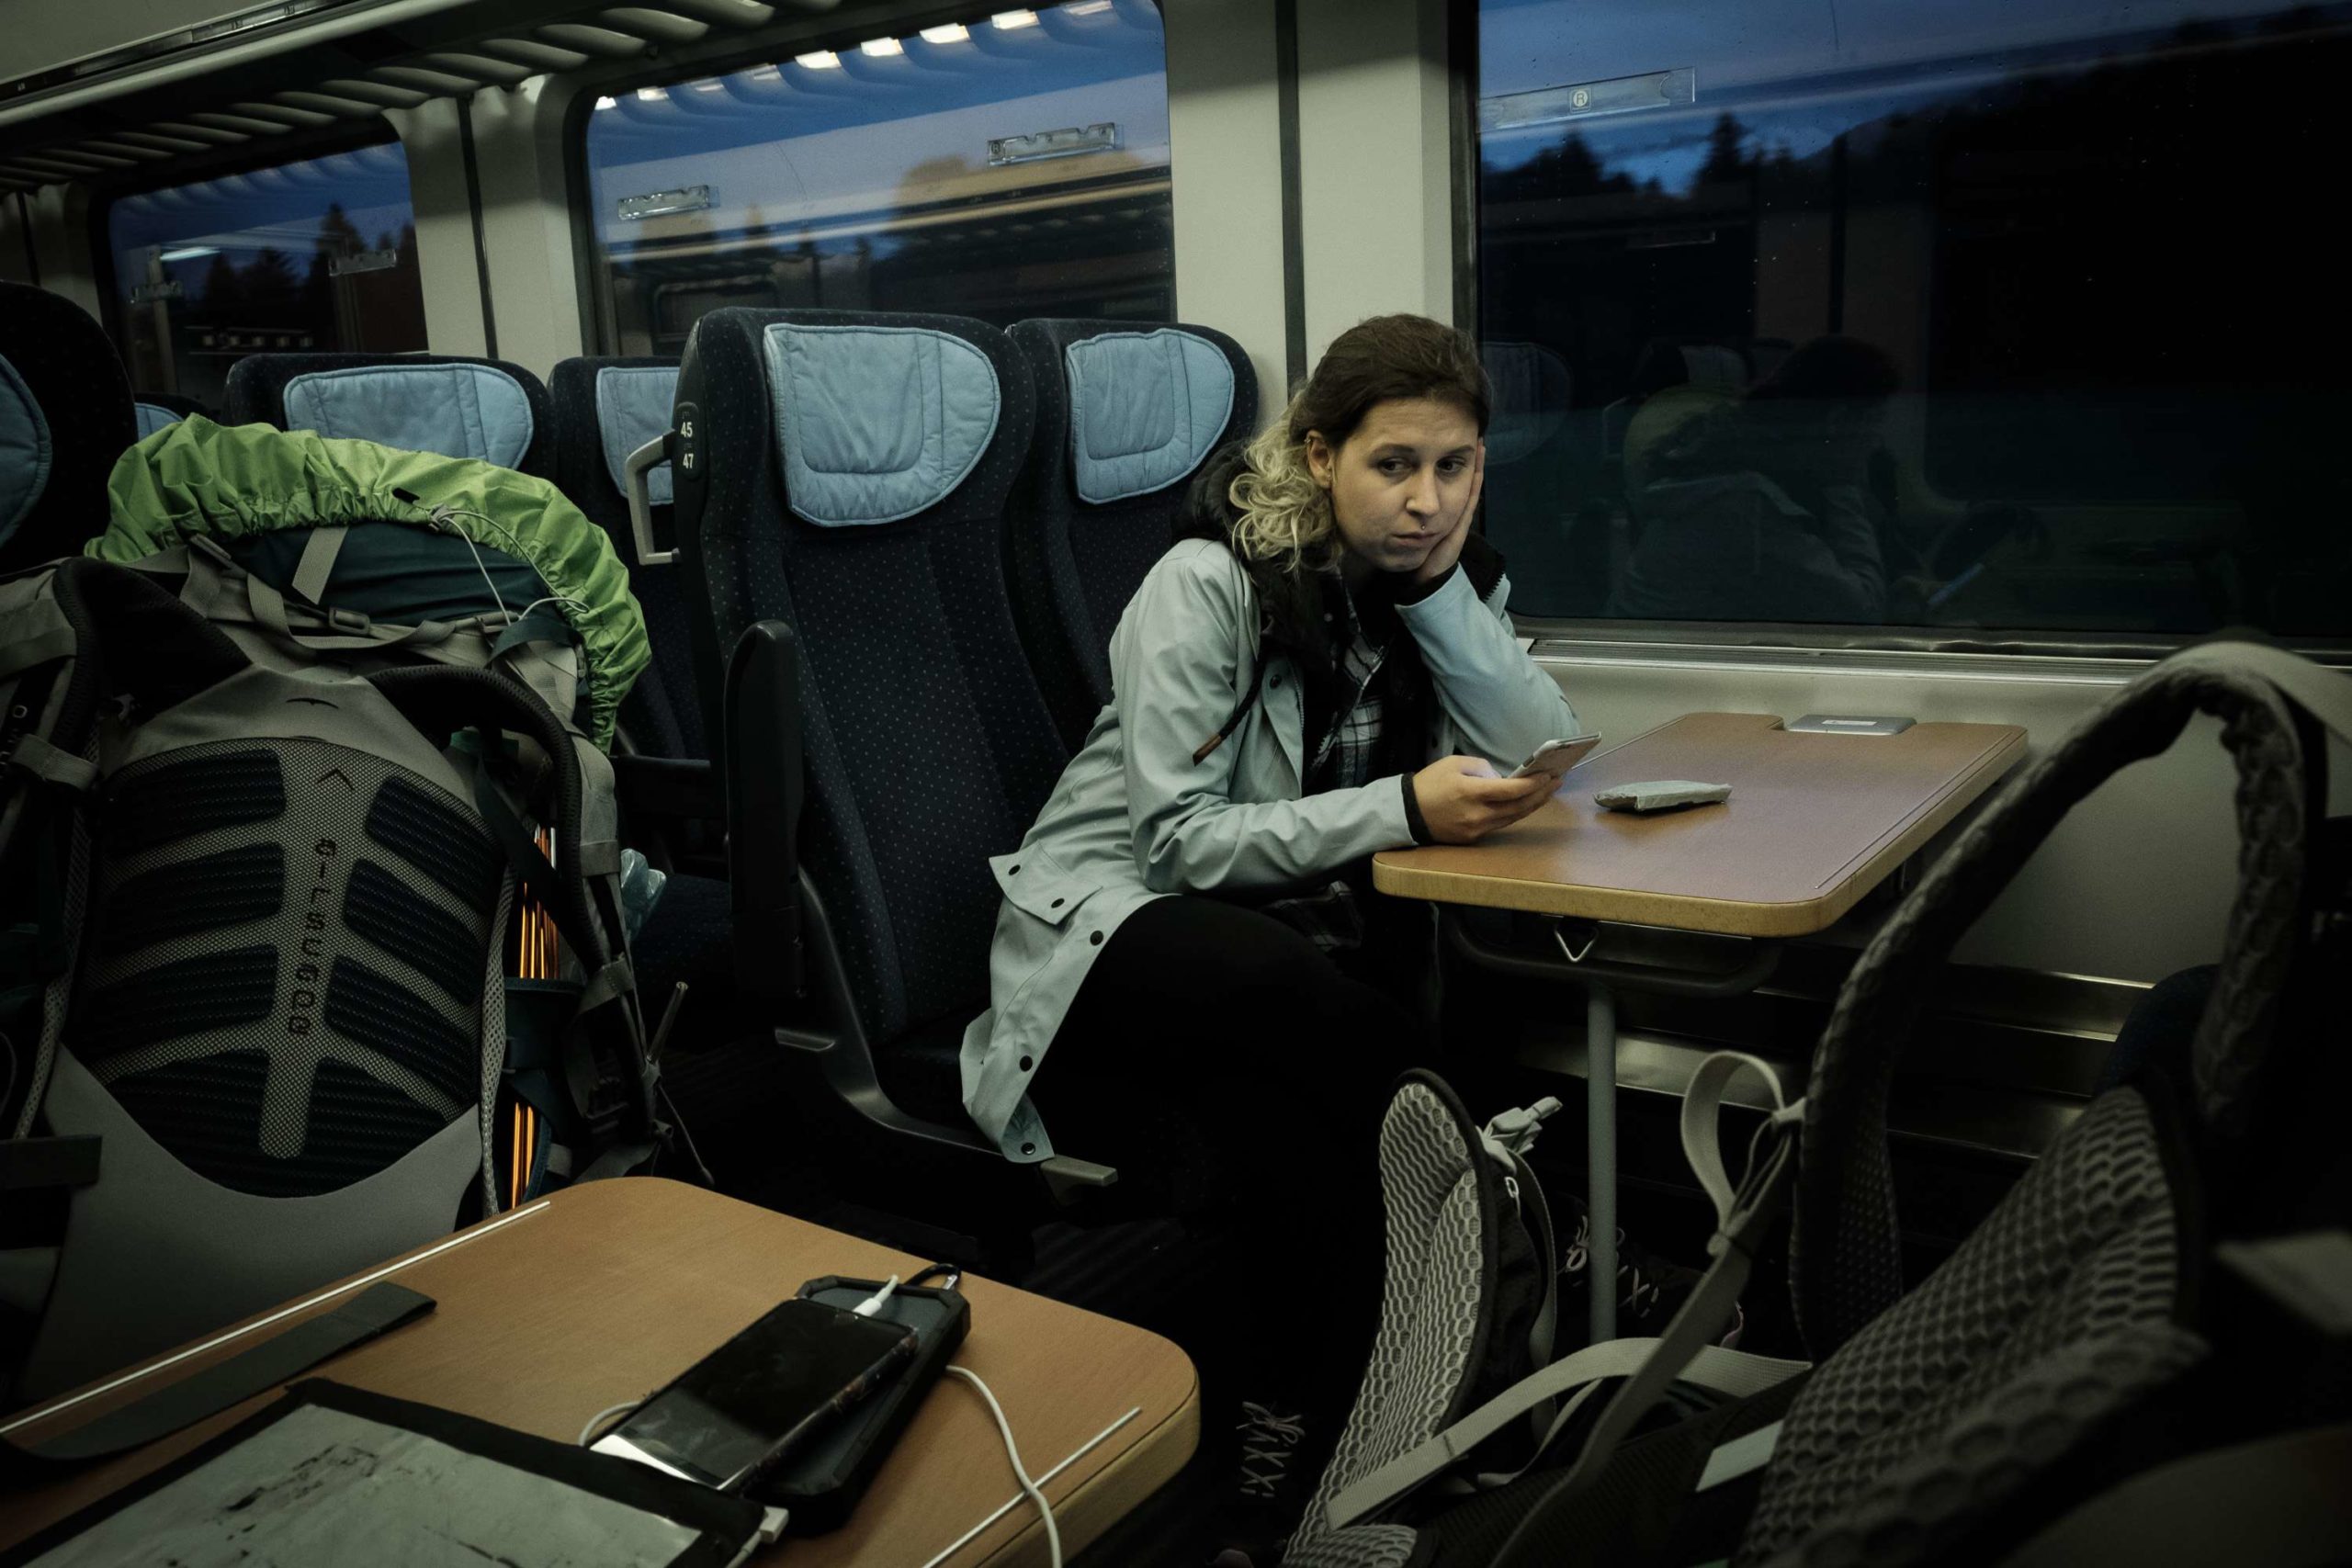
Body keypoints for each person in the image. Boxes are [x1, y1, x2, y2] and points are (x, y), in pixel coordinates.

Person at [957, 313, 1581, 1554]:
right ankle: (1514, 1229)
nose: (1427, 498)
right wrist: (1403, 804)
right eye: (1393, 465)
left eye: (1455, 467)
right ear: (1315, 457)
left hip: (1284, 958)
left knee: (1299, 1139)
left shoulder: (1438, 580)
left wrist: (1444, 583)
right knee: (1302, 1000)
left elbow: (1534, 738)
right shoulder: (1206, 583)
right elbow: (1182, 843)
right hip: (1119, 927)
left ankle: (1296, 1446)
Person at [1609, 334, 1900, 624]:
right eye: (1873, 423)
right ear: (1837, 422)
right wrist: (1843, 486)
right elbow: (1861, 611)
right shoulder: (1744, 506)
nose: (1876, 443)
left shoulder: (1730, 474)